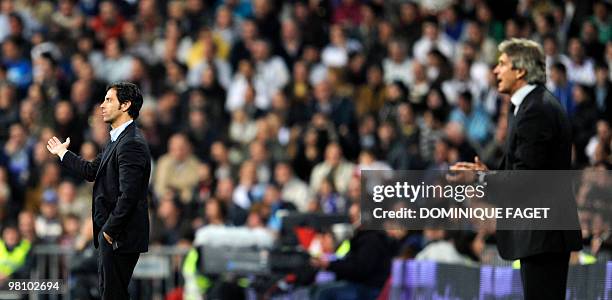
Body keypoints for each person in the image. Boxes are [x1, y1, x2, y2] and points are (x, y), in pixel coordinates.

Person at [450, 39, 582, 299]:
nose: (495, 71)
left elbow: (526, 181)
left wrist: (479, 178)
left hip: (543, 235)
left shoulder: (537, 110)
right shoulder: (532, 106)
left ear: (520, 70)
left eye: (502, 64)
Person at [46, 82, 151, 299]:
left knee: (112, 295)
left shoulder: (131, 143)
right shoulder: (117, 140)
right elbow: (92, 171)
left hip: (119, 236)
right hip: (114, 235)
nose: (102, 105)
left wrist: (109, 231)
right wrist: (63, 154)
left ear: (126, 105)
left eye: (108, 100)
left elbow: (128, 195)